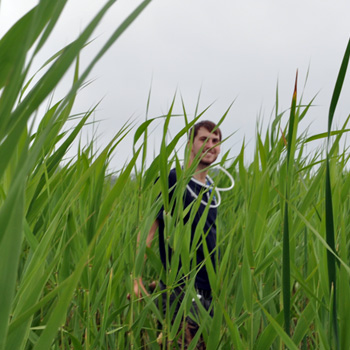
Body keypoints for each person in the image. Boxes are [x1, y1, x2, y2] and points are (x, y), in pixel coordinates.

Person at [134, 120, 222, 348]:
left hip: (207, 289)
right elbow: (149, 229)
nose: (211, 145)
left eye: (216, 141)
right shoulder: (175, 179)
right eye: (204, 139)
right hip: (184, 290)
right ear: (191, 144)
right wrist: (136, 277)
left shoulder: (211, 188)